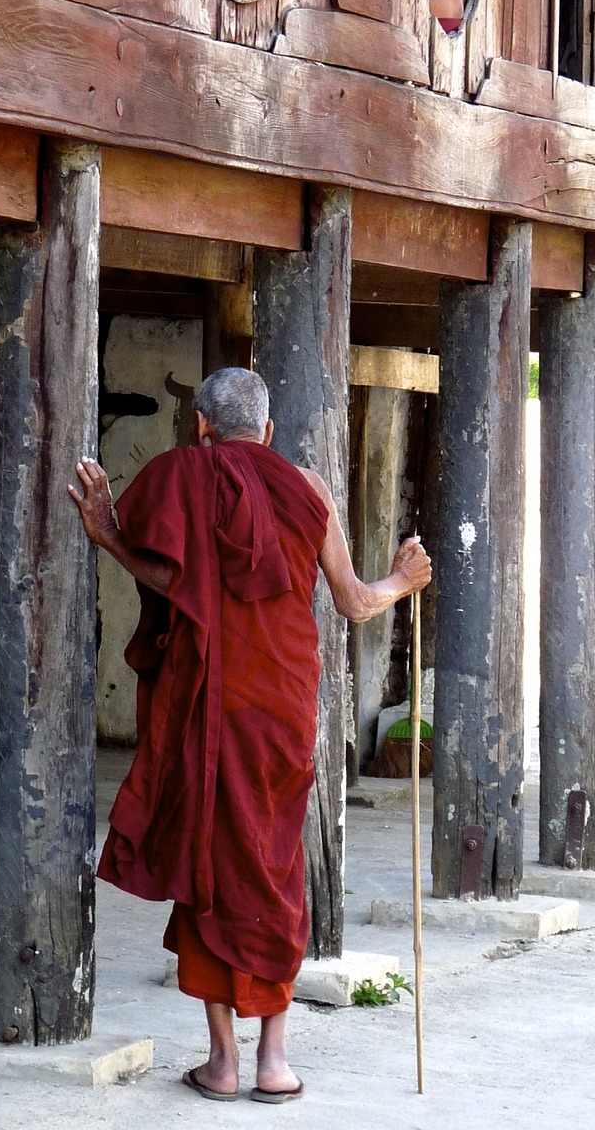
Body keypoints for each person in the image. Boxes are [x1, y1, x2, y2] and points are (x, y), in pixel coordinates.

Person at [68, 368, 432, 1104]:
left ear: (199, 425)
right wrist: (403, 579)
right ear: (266, 432)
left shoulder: (181, 475)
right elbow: (356, 603)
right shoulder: (309, 491)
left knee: (209, 855)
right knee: (271, 862)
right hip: (281, 707)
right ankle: (274, 1061)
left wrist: (107, 535)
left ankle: (222, 1064)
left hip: (208, 702)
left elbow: (176, 585)